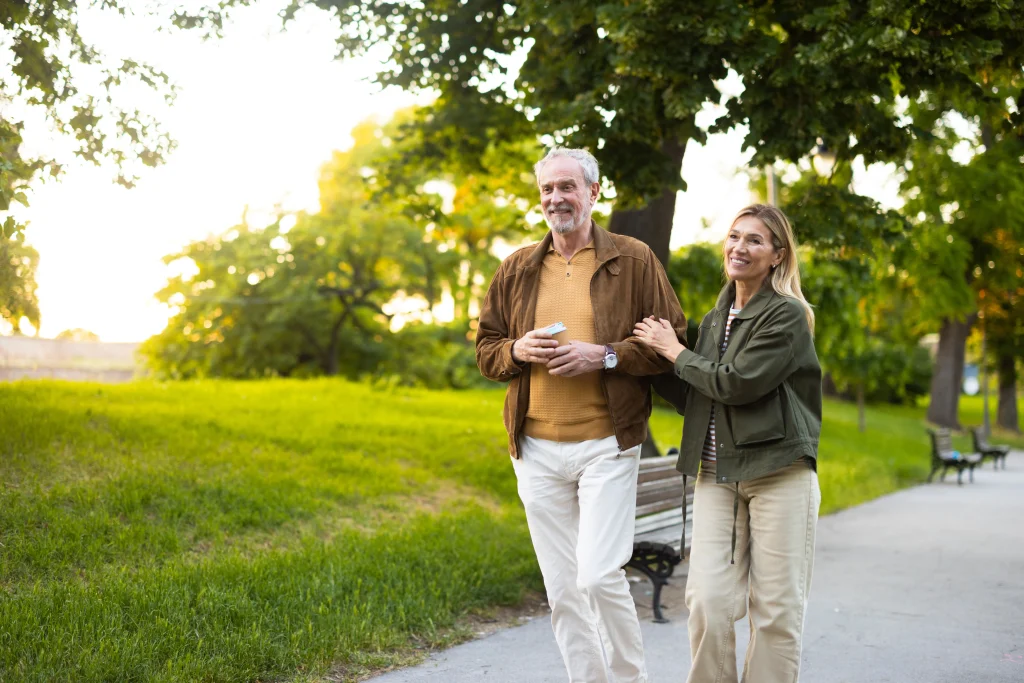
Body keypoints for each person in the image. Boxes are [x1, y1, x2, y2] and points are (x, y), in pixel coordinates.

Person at [475, 147, 687, 683]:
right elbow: (487, 350)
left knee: (597, 575)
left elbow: (672, 341)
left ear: (594, 192)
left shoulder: (634, 260)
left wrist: (607, 354)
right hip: (536, 449)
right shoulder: (517, 268)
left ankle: (628, 679)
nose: (556, 198)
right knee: (563, 588)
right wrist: (517, 351)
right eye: (547, 189)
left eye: (567, 186)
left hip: (607, 442)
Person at [634, 204, 822, 683]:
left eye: (755, 240)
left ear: (778, 255)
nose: (739, 247)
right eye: (735, 237)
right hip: (716, 476)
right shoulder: (716, 317)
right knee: (707, 600)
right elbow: (697, 392)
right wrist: (642, 359)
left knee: (776, 610)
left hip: (779, 473)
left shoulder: (787, 316)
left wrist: (675, 351)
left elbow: (737, 384)